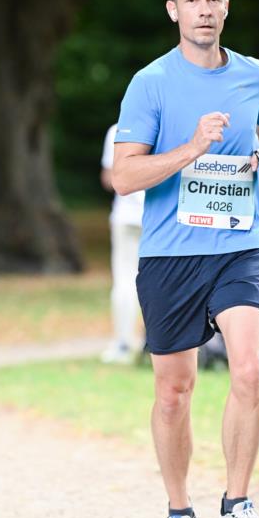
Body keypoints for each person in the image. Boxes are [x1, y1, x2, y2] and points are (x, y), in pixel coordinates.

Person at [112, 0, 259, 518]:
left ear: (226, 6)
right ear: (173, 10)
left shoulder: (253, 75)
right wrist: (191, 148)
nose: (205, 9)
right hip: (170, 255)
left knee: (249, 371)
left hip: (241, 244)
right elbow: (123, 174)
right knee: (174, 391)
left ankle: (238, 506)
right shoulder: (151, 83)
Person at [100, 123, 145, 364]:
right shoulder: (167, 126)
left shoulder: (117, 130)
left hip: (125, 214)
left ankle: (123, 342)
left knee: (124, 279)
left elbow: (109, 178)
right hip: (156, 216)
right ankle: (154, 341)